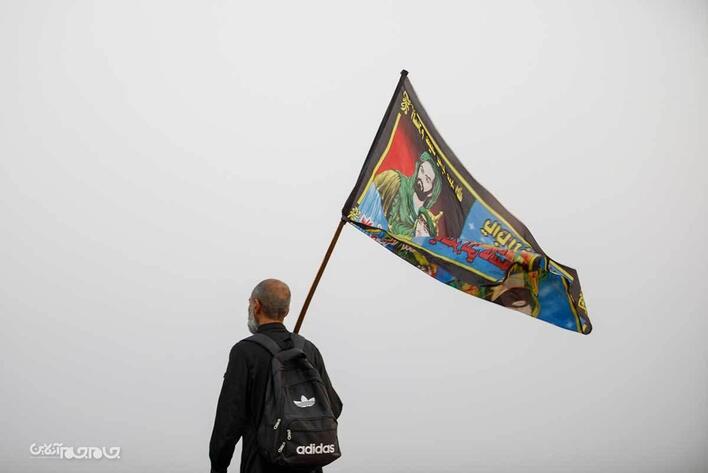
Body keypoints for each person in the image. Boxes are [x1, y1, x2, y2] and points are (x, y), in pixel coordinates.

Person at [209, 279, 343, 473]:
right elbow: (333, 407)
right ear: (286, 311)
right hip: (308, 466)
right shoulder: (308, 349)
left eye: (250, 303)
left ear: (256, 306)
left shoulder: (245, 352)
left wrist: (218, 466)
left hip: (261, 465)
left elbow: (228, 421)